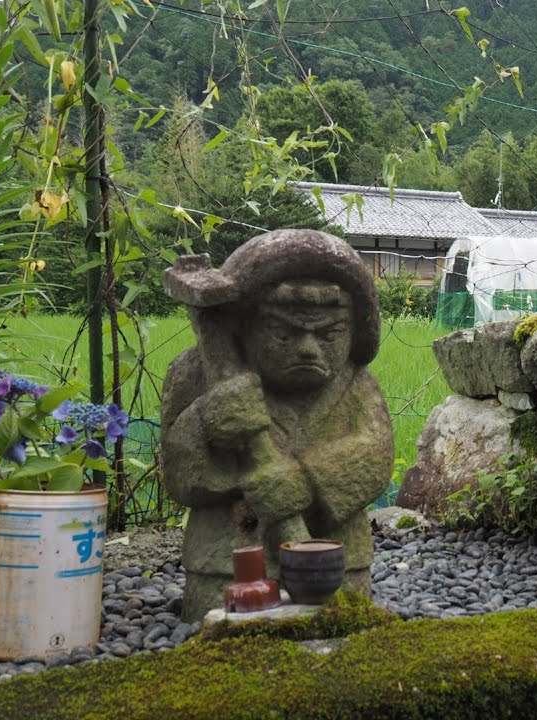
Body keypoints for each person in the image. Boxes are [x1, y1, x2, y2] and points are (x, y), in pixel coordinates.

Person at [162, 229, 393, 620]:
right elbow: (179, 474)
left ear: (355, 332)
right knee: (224, 622)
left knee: (341, 615)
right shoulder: (198, 373)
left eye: (329, 334)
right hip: (227, 558)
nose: (308, 349)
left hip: (335, 555)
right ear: (246, 326)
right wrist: (203, 420)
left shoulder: (355, 385)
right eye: (284, 333)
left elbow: (376, 454)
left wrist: (304, 480)